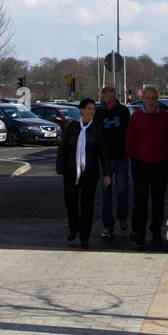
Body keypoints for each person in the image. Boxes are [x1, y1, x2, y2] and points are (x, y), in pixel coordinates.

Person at [55, 98, 110, 249]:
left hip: (90, 171)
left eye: (93, 109)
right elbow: (63, 148)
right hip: (71, 170)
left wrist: (107, 172)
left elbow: (103, 152)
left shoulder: (97, 128)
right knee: (70, 201)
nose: (92, 112)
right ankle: (73, 228)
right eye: (89, 109)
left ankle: (84, 237)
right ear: (82, 110)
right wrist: (60, 168)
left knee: (87, 205)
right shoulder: (71, 127)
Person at [126, 85, 168, 248]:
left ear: (157, 99)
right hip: (140, 164)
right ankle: (138, 232)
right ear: (143, 99)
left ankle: (156, 230)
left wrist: (167, 156)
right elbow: (129, 139)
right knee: (140, 199)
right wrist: (133, 158)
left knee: (158, 199)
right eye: (147, 98)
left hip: (160, 164)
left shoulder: (165, 117)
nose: (150, 101)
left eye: (153, 98)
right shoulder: (136, 117)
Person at [95, 85, 131, 239]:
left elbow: (130, 132)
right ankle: (108, 226)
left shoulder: (123, 111)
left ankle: (122, 217)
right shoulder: (98, 113)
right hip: (105, 160)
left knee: (122, 191)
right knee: (106, 193)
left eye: (113, 96)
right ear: (103, 98)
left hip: (122, 157)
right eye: (107, 97)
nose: (110, 100)